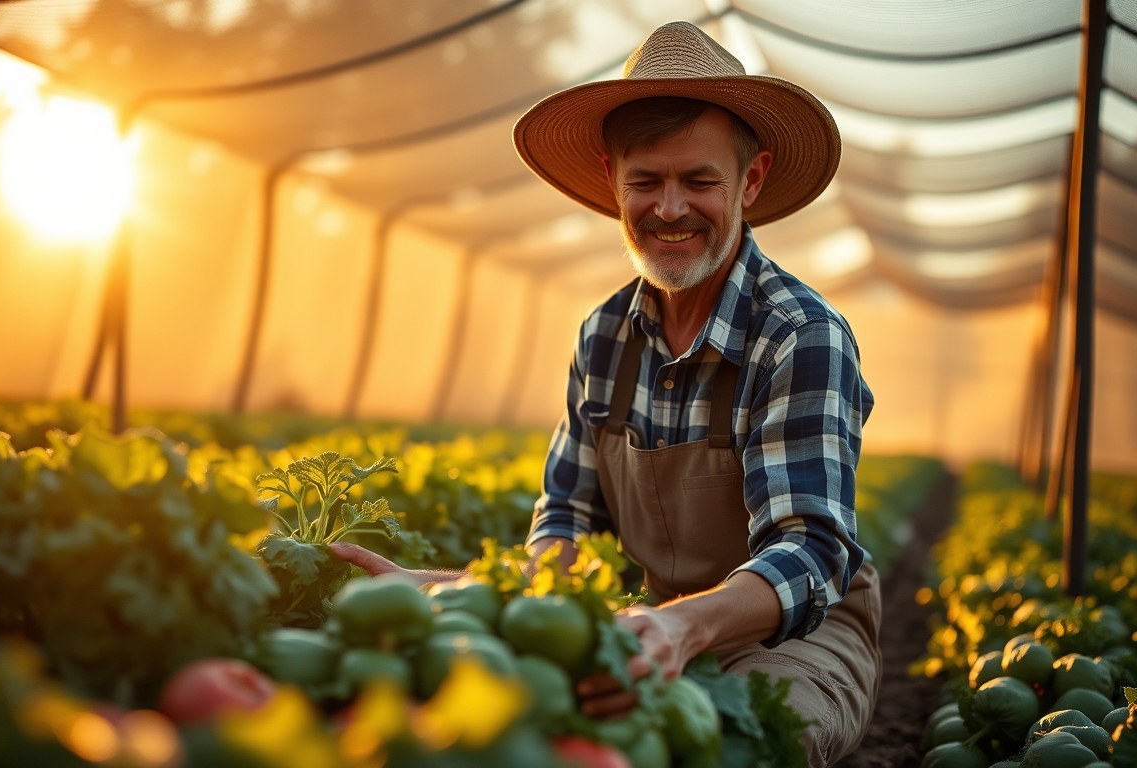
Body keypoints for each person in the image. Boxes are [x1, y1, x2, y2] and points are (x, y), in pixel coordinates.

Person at [331, 21, 880, 767]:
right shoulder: (604, 337)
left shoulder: (799, 335)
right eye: (646, 182)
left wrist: (688, 627)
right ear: (611, 181)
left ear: (749, 182)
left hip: (795, 638)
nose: (670, 209)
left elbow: (809, 550)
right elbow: (569, 517)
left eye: (700, 181)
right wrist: (470, 590)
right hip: (651, 625)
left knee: (731, 745)